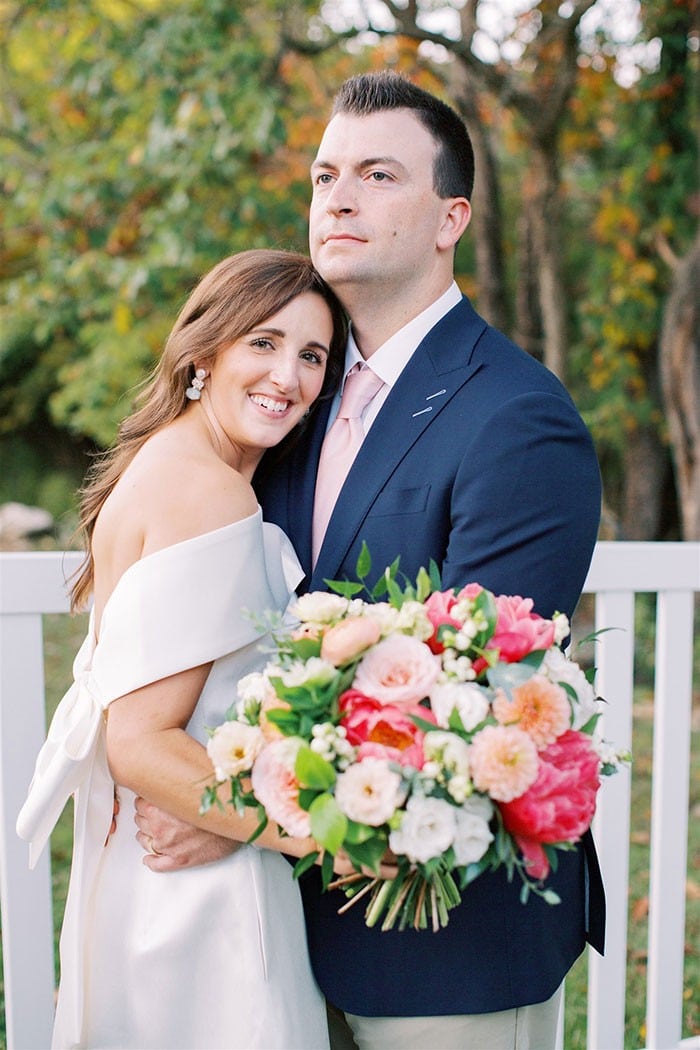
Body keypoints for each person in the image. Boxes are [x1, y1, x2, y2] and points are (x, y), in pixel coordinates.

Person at [134, 72, 605, 1050]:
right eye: (322, 176)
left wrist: (226, 801)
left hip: (445, 930)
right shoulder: (286, 401)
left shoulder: (517, 417)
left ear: (449, 218)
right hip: (271, 927)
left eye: (376, 174)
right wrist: (208, 796)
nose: (336, 198)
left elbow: (462, 693)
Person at [16, 249, 348, 1050]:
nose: (288, 376)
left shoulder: (162, 462)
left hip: (145, 869)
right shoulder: (207, 489)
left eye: (312, 356)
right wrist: (325, 835)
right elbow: (139, 743)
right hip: (198, 888)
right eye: (262, 343)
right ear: (205, 353)